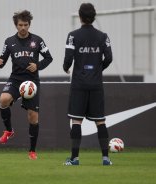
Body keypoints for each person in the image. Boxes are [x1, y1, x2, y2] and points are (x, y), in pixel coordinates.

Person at [0, 10, 53, 160]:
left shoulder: (38, 41)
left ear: (29, 24)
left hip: (32, 82)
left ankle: (32, 151)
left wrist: (38, 65)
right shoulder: (9, 42)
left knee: (33, 117)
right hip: (15, 79)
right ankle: (8, 131)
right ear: (16, 25)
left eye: (26, 25)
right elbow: (2, 61)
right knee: (3, 99)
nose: (23, 28)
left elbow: (49, 58)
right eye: (20, 25)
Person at [63, 3, 113, 165]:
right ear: (94, 16)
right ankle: (106, 158)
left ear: (80, 16)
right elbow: (109, 58)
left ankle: (74, 159)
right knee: (100, 122)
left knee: (76, 121)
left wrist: (66, 68)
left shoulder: (73, 36)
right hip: (96, 85)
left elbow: (68, 59)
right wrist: (98, 69)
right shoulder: (103, 36)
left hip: (79, 84)